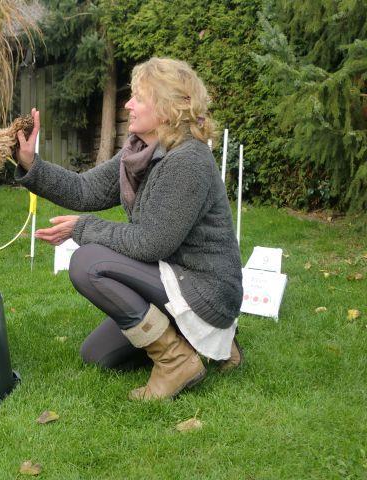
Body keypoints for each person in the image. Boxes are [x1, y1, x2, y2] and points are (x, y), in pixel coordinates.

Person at [14, 57, 243, 401]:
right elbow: (84, 190)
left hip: (204, 287)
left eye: (138, 97)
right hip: (171, 276)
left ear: (165, 109)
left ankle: (176, 359)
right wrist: (31, 162)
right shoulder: (138, 153)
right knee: (97, 356)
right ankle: (210, 344)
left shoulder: (188, 162)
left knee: (87, 263)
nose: (128, 104)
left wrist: (84, 228)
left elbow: (151, 244)